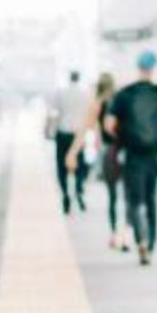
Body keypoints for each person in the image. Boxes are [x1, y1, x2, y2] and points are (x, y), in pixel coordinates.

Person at [103, 51, 157, 266]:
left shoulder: (124, 95)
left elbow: (109, 125)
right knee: (151, 199)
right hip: (153, 155)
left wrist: (122, 136)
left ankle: (140, 238)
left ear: (138, 68)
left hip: (132, 155)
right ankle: (150, 243)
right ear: (153, 68)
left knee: (134, 200)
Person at [88, 73, 128, 250]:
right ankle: (125, 235)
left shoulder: (98, 103)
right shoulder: (121, 101)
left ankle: (113, 235)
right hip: (124, 151)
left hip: (108, 151)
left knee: (112, 196)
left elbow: (93, 128)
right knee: (126, 196)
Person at [51, 68, 93, 214]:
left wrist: (49, 130)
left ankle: (65, 194)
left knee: (61, 166)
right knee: (80, 165)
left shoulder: (61, 93)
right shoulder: (86, 95)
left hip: (63, 133)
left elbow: (55, 113)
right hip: (78, 135)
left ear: (70, 78)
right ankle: (79, 189)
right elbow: (89, 116)